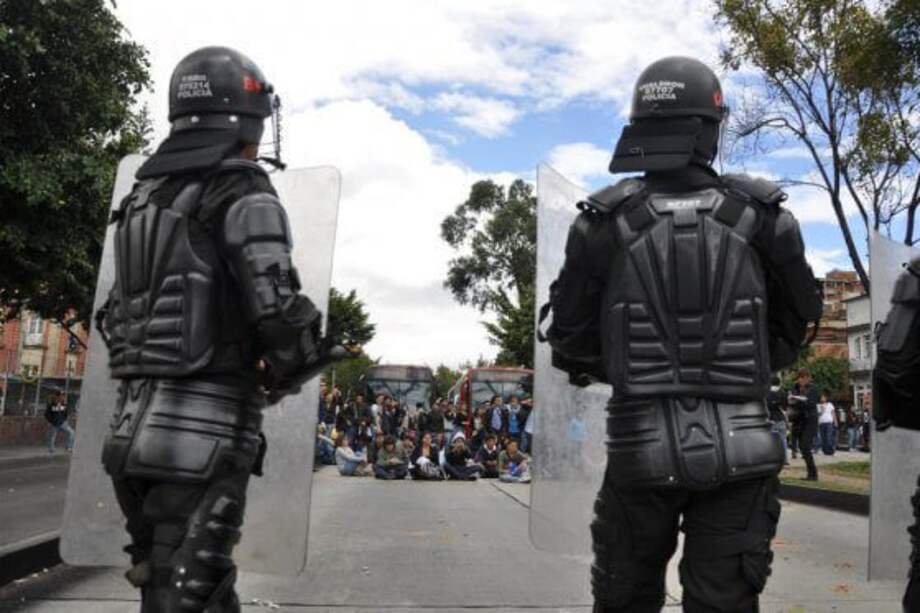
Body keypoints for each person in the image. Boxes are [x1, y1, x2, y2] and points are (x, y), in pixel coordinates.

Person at [543, 57, 822, 612]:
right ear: (709, 129)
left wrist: (627, 363)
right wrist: (744, 365)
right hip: (744, 446)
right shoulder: (765, 219)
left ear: (640, 127)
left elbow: (569, 338)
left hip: (638, 446)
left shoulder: (601, 223)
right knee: (723, 602)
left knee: (625, 600)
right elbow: (798, 323)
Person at [95, 47, 347, 613]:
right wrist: (307, 355)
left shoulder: (141, 199)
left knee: (165, 589)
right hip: (204, 436)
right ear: (246, 119)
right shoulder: (239, 188)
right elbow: (277, 312)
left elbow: (114, 317)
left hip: (128, 435)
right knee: (191, 596)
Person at [789, 369, 820, 480]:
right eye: (798, 378)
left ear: (807, 378)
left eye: (802, 378)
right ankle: (811, 473)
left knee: (805, 446)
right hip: (799, 420)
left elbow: (811, 403)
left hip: (810, 420)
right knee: (802, 447)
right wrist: (792, 400)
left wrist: (799, 401)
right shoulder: (795, 388)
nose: (799, 380)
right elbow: (792, 402)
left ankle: (813, 474)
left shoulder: (813, 388)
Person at [765, 377, 788, 464]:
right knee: (783, 440)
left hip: (770, 419)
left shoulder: (767, 393)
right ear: (779, 383)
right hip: (781, 418)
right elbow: (785, 407)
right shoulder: (783, 393)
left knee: (771, 441)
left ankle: (772, 459)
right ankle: (785, 459)